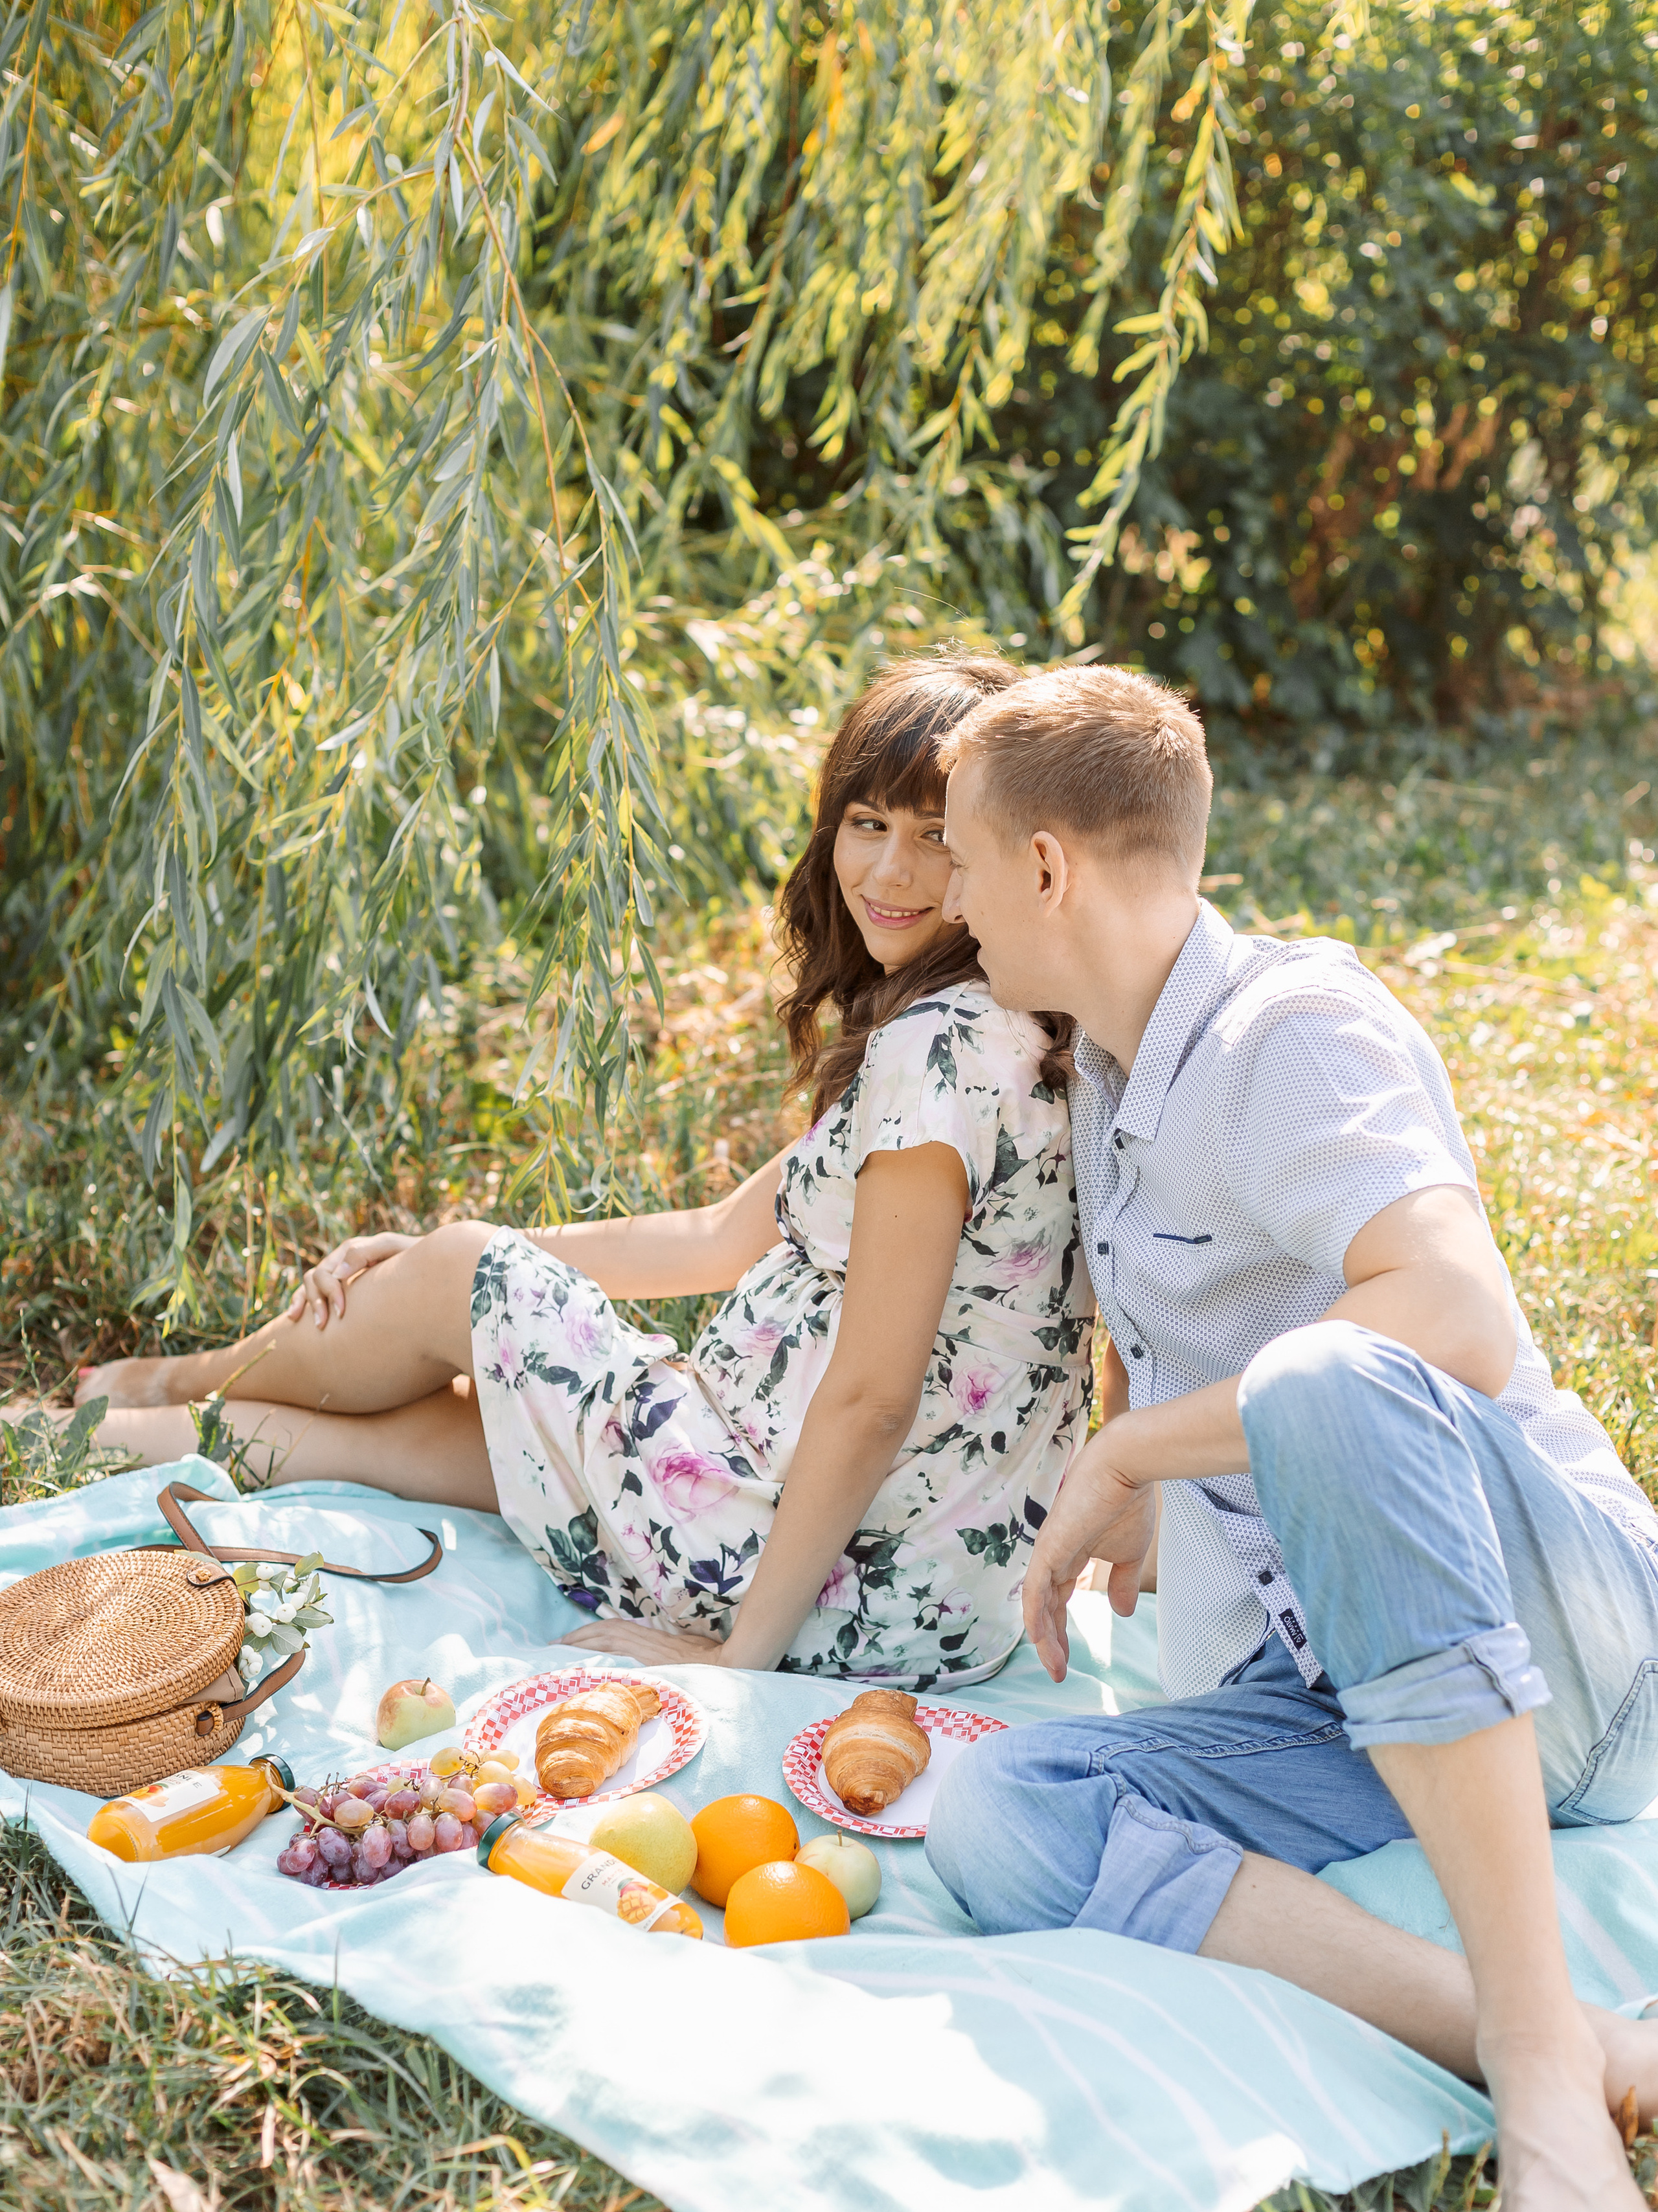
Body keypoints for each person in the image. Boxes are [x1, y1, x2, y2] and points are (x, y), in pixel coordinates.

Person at [922, 660, 1658, 2212]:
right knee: (1000, 1813)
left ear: (1044, 868)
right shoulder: (1104, 1075)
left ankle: (1548, 2106)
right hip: (1347, 1682)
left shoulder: (1290, 1030)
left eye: (964, 863)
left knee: (1333, 1370)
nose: (951, 904)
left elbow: (1452, 1320)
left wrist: (1132, 1453)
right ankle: (1562, 2039)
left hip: (1577, 1646)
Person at [73, 656, 1094, 1687]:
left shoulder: (943, 1052)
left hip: (804, 1569)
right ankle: (101, 1429)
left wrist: (737, 1657)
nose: (891, 873)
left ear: (1000, 847)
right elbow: (718, 1237)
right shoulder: (1019, 1026)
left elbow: (874, 1400)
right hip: (918, 1591)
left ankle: (168, 1377)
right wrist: (445, 1272)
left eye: (936, 838)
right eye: (868, 824)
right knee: (418, 1432)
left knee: (468, 1266)